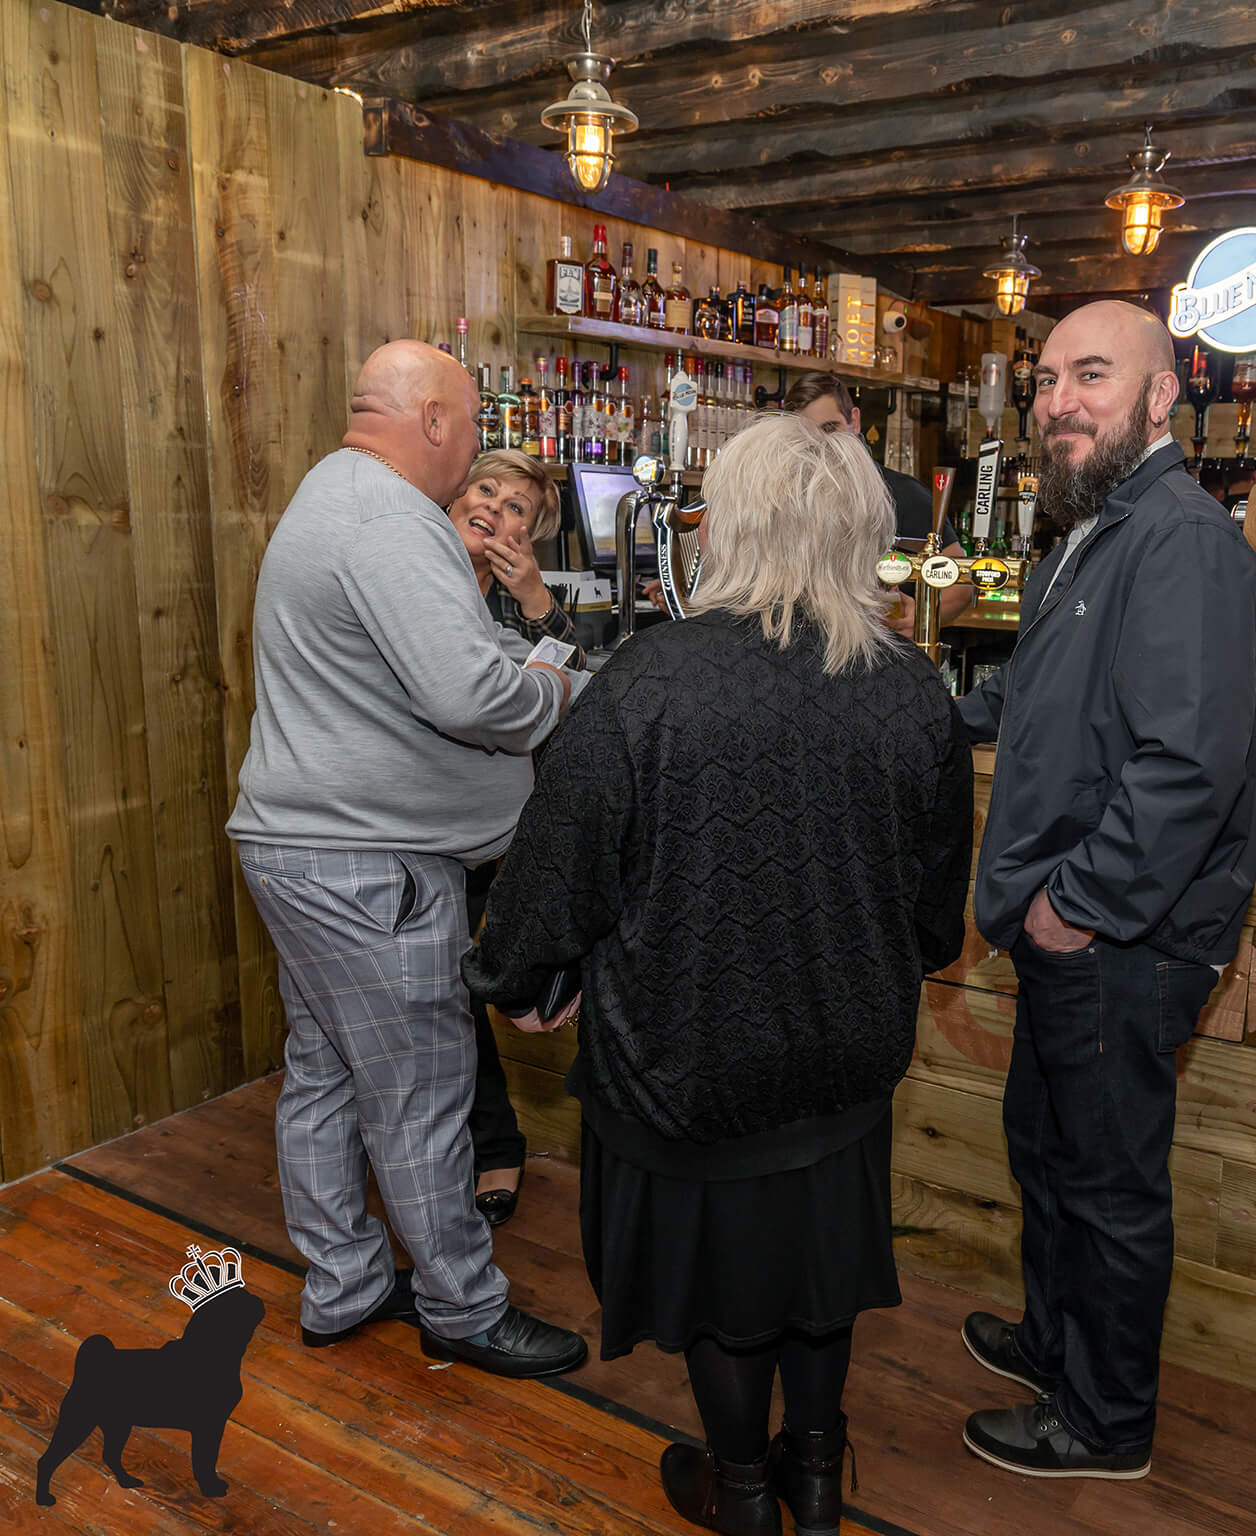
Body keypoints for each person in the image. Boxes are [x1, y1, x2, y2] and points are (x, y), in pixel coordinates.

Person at [465, 411, 973, 1536]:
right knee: (818, 1273)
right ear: (861, 531)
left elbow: (554, 875)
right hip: (843, 1059)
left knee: (722, 1287)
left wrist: (522, 977)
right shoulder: (909, 687)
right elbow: (937, 925)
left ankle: (742, 1491)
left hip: (685, 1059)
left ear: (726, 528)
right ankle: (817, 1481)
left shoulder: (649, 680)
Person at [226, 340, 587, 1380]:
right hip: (365, 870)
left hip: (305, 853)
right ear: (432, 420)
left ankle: (342, 1283)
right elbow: (472, 696)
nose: (474, 448)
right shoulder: (390, 520)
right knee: (422, 1092)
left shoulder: (335, 493)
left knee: (326, 1077)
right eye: (471, 426)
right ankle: (462, 1307)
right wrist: (554, 689)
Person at [953, 302, 1256, 1479]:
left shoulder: (1180, 538)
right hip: (1072, 921)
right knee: (1045, 1149)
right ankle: (1056, 1347)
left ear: (1160, 396)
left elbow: (1187, 766)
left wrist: (1075, 904)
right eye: (1045, 381)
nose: (1059, 402)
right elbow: (1031, 699)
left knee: (1108, 1183)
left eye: (1091, 376)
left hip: (1120, 933)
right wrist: (909, 709)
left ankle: (1105, 1421)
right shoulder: (1094, 529)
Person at [445, 448, 575, 1227]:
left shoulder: (514, 610)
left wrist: (533, 596)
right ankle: (487, 1141)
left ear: (530, 535)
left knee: (465, 989)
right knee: (447, 995)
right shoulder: (415, 584)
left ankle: (492, 1142)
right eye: (485, 489)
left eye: (517, 505)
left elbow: (578, 683)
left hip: (500, 832)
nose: (495, 506)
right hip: (419, 825)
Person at [784, 371, 974, 634]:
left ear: (854, 421)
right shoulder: (789, 500)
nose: (822, 444)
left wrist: (921, 619)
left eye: (830, 428)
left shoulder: (903, 493)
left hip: (883, 651)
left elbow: (961, 585)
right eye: (807, 435)